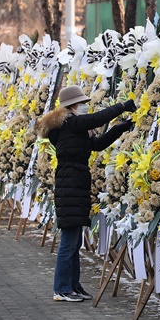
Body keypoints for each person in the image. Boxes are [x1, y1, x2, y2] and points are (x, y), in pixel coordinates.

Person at [37, 85, 137, 302]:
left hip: (74, 183)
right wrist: (122, 106)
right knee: (69, 240)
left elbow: (97, 145)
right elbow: (96, 119)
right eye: (81, 103)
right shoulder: (70, 123)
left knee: (74, 241)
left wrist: (121, 128)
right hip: (70, 183)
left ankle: (72, 285)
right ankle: (62, 288)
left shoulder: (72, 127)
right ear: (71, 105)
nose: (84, 106)